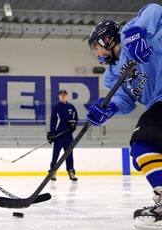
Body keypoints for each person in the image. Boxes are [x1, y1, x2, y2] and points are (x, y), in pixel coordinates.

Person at [87, 3, 162, 228]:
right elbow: (126, 102)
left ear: (107, 40)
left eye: (97, 48)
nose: (97, 54)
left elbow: (154, 10)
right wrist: (108, 108)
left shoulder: (133, 33)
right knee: (144, 152)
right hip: (158, 103)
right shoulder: (110, 77)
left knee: (144, 143)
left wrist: (134, 34)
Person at [47, 89, 78, 181]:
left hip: (68, 136)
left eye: (64, 94)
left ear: (66, 96)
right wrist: (52, 133)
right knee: (55, 155)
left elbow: (75, 118)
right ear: (59, 96)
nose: (63, 96)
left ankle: (71, 172)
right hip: (58, 136)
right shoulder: (56, 107)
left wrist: (73, 125)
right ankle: (53, 172)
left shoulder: (71, 107)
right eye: (61, 95)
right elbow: (53, 121)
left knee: (69, 155)